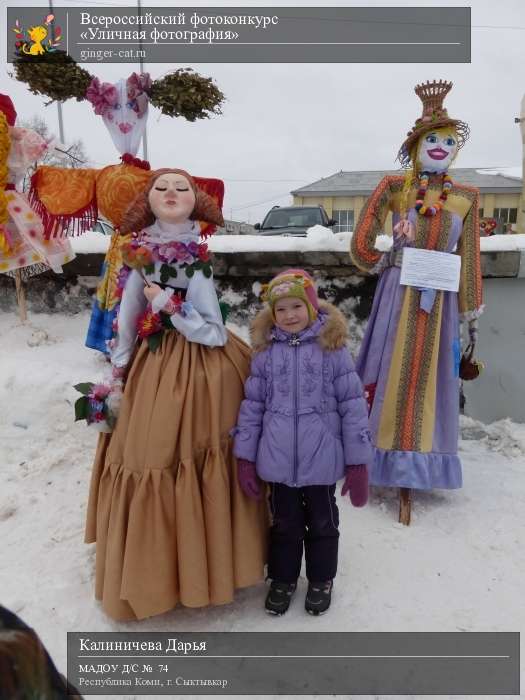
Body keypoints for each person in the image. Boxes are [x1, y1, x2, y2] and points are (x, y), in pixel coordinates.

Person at [84, 168, 268, 621]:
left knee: (205, 449)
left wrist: (170, 306)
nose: (170, 193)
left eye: (181, 187)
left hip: (205, 370)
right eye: (160, 187)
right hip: (153, 365)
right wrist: (120, 369)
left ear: (196, 201)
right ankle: (152, 572)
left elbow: (213, 332)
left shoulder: (197, 259)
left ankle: (208, 560)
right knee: (146, 452)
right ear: (148, 200)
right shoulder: (138, 255)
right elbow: (126, 317)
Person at [350, 79, 483, 498]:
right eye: (433, 138)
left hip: (440, 303)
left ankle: (420, 464)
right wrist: (384, 258)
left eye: (448, 139)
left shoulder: (466, 196)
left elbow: (471, 253)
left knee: (431, 378)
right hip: (399, 294)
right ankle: (377, 456)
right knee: (388, 369)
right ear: (416, 144)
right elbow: (362, 238)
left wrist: (470, 308)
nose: (441, 145)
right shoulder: (395, 187)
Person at [232, 269, 372, 616]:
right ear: (271, 314)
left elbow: (353, 406)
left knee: (323, 523)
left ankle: (322, 578)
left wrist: (358, 463)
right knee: (284, 523)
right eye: (280, 309)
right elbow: (253, 406)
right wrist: (245, 458)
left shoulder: (332, 350)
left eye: (297, 306)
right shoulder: (264, 353)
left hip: (321, 459)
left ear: (311, 307)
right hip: (278, 460)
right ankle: (283, 579)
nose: (289, 315)